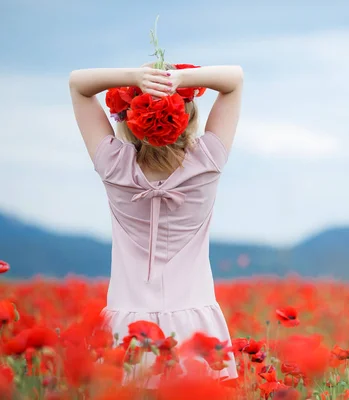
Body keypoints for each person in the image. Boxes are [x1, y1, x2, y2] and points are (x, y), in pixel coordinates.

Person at [68, 63, 243, 383]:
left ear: (130, 120)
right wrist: (179, 79)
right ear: (188, 116)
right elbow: (235, 80)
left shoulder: (114, 165)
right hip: (197, 325)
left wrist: (136, 78)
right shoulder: (206, 163)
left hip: (127, 328)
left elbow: (78, 84)